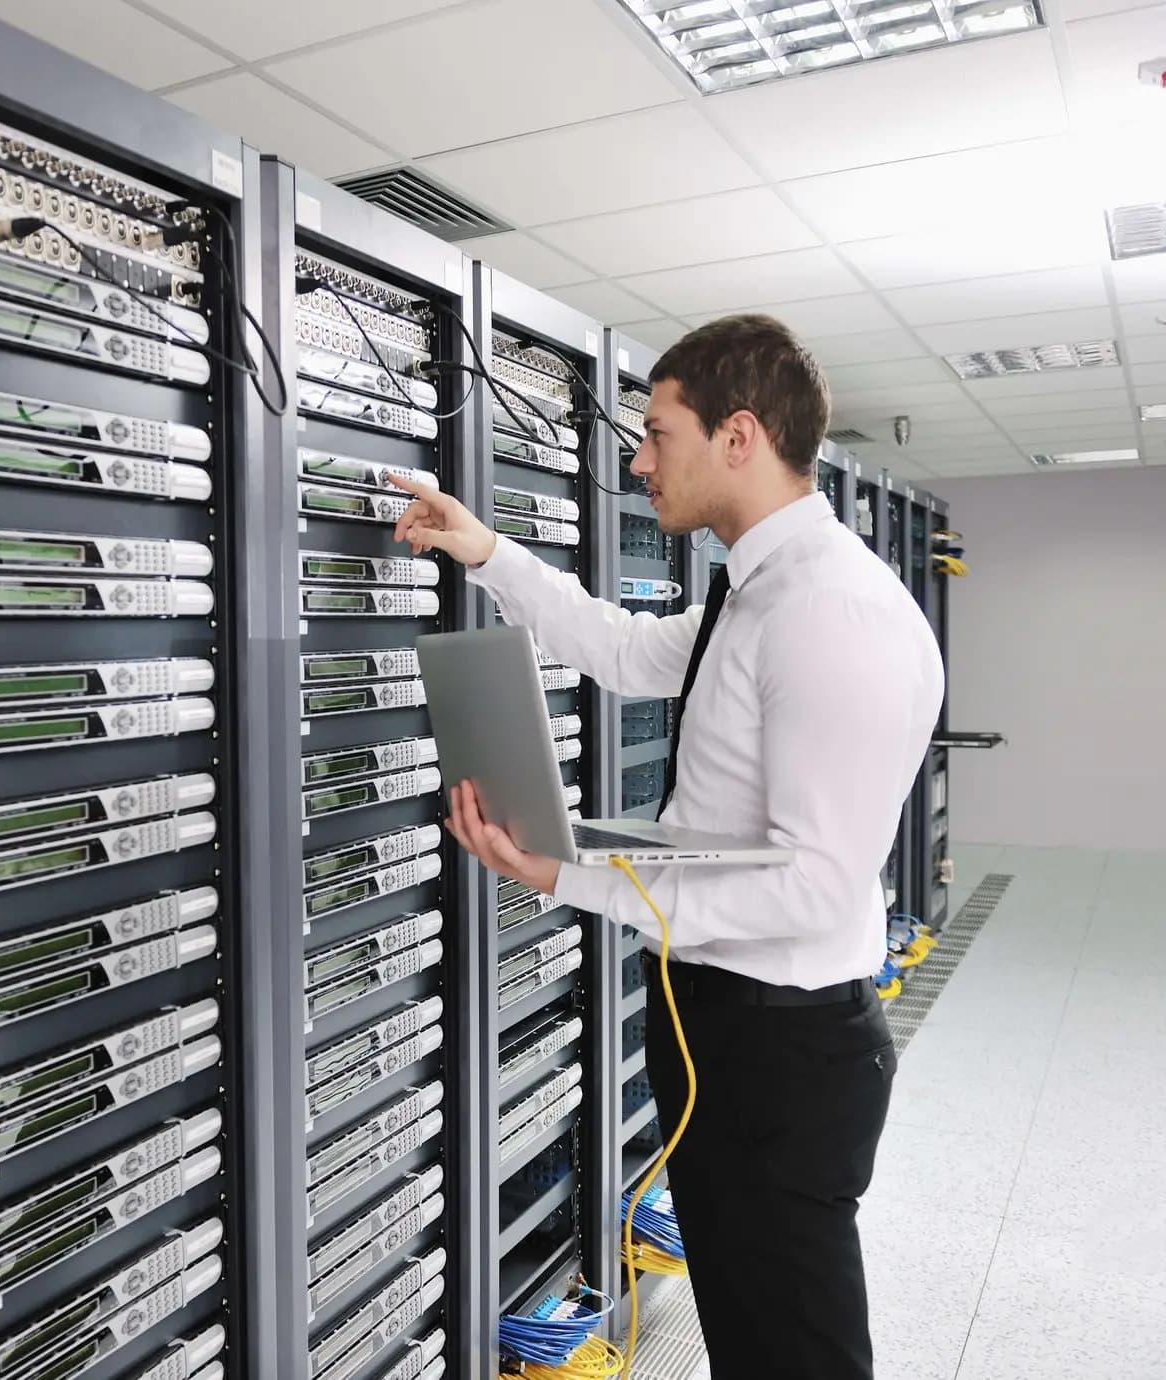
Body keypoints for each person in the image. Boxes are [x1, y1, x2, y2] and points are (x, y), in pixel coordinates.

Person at [389, 314, 943, 1379]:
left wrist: (569, 877)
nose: (639, 462)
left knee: (796, 1356)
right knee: (750, 1339)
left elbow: (815, 888)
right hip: (725, 1029)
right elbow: (627, 651)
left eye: (656, 433)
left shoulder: (833, 612)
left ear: (739, 436)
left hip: (782, 1051)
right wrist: (488, 551)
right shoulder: (762, 591)